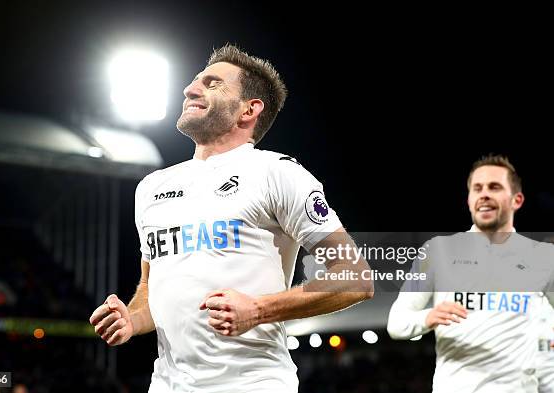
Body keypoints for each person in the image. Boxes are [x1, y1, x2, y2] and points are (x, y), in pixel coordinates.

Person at [89, 44, 373, 393]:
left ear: (249, 110)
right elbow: (151, 290)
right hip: (167, 385)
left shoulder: (277, 173)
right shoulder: (151, 187)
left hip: (253, 384)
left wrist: (258, 309)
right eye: (195, 82)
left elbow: (355, 279)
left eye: (212, 84)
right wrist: (131, 319)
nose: (190, 89)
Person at [387, 154, 554, 393]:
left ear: (517, 200)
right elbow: (396, 322)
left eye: (494, 187)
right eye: (477, 188)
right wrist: (428, 317)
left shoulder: (544, 257)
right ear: (469, 200)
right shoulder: (436, 251)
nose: (484, 194)